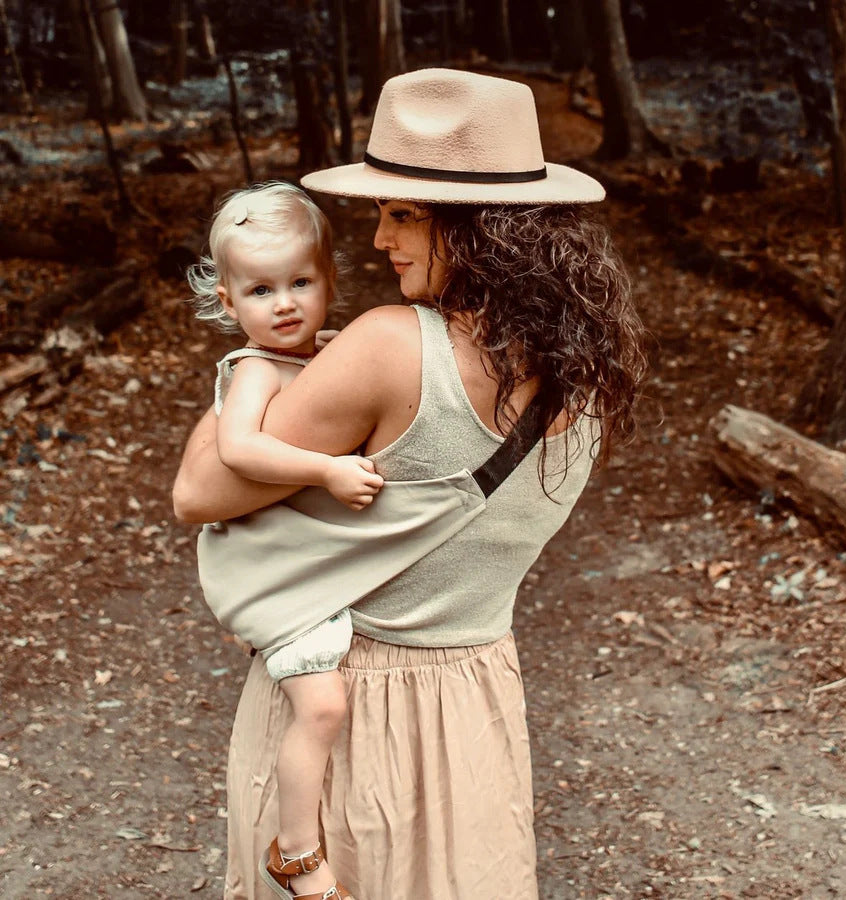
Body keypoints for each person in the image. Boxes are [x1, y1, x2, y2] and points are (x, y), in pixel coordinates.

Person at [173, 68, 647, 899]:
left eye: (401, 214)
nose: (377, 240)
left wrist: (250, 367)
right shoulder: (591, 379)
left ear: (473, 227)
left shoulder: (392, 346)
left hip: (350, 716)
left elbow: (198, 494)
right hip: (476, 708)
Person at [187, 181, 383, 900]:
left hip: (293, 560)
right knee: (323, 706)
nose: (285, 304)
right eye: (261, 290)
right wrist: (325, 470)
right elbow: (238, 449)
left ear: (329, 279)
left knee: (328, 700)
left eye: (300, 282)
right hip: (263, 567)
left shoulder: (318, 354)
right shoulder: (256, 369)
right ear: (229, 303)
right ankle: (296, 852)